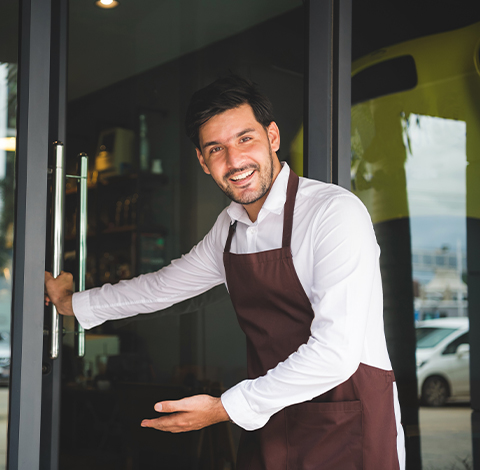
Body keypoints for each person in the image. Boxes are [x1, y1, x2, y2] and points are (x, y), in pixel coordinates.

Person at [45, 75, 404, 469]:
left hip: (346, 420)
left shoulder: (333, 213)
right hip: (272, 419)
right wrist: (72, 304)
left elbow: (336, 353)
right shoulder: (230, 229)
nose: (234, 162)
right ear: (202, 161)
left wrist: (224, 408)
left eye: (245, 139)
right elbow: (161, 287)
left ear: (273, 137)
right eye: (217, 148)